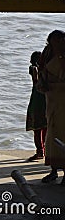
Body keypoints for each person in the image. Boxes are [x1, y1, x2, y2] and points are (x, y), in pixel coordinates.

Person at [38, 30, 65, 185]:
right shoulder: (47, 54)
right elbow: (42, 74)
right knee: (52, 132)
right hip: (52, 98)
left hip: (62, 97)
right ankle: (53, 170)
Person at [26, 51, 47, 162]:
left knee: (41, 128)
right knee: (40, 128)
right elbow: (36, 80)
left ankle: (41, 151)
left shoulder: (43, 70)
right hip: (40, 101)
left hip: (41, 101)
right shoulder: (34, 69)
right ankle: (41, 151)